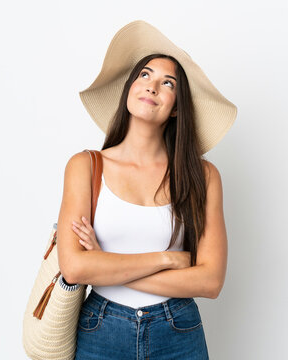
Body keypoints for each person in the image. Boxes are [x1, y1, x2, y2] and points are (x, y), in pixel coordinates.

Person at [56, 20, 237, 360]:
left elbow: (210, 281)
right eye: (144, 75)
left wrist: (106, 264)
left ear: (177, 106)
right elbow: (75, 268)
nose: (152, 86)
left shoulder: (203, 176)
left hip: (178, 330)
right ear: (129, 88)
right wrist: (168, 259)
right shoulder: (85, 167)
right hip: (101, 328)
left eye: (167, 83)